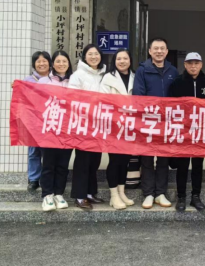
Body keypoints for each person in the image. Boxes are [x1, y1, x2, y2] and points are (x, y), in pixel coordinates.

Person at [132, 38, 179, 210]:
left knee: (163, 158)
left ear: (166, 52)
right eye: (156, 48)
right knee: (147, 158)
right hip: (148, 120)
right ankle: (148, 194)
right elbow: (138, 95)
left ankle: (160, 193)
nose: (159, 51)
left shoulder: (173, 71)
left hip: (166, 121)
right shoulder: (142, 70)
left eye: (162, 49)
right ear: (150, 51)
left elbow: (177, 96)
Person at [169, 52, 205, 212]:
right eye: (190, 63)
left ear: (201, 65)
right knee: (182, 165)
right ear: (185, 65)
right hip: (183, 131)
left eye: (196, 63)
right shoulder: (177, 82)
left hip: (201, 131)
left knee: (198, 165)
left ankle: (195, 196)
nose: (193, 66)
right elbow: (170, 106)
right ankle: (181, 197)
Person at [68, 44, 107, 210]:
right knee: (83, 161)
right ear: (84, 57)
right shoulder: (77, 75)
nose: (93, 57)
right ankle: (79, 195)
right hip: (83, 125)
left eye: (96, 54)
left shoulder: (104, 74)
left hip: (99, 125)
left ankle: (90, 193)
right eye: (90, 54)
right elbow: (72, 98)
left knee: (94, 161)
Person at [100, 49, 136, 211]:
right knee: (115, 160)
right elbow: (103, 100)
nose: (122, 61)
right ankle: (113, 195)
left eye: (125, 58)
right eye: (119, 58)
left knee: (125, 160)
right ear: (114, 61)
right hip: (114, 125)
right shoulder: (108, 78)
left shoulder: (135, 77)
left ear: (130, 60)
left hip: (130, 125)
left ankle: (122, 193)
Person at [38, 51, 74, 212]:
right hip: (50, 129)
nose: (61, 64)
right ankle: (47, 195)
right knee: (48, 164)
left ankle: (59, 193)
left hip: (68, 129)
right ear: (53, 64)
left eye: (64, 61)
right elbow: (34, 101)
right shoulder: (44, 81)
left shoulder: (74, 81)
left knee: (63, 164)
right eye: (58, 61)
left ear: (69, 63)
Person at [23, 51, 52, 194]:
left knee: (49, 152)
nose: (41, 64)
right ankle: (33, 179)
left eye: (44, 61)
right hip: (33, 122)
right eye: (38, 61)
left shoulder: (54, 79)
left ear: (49, 63)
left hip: (51, 121)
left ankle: (46, 178)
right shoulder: (28, 80)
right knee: (34, 151)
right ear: (34, 64)